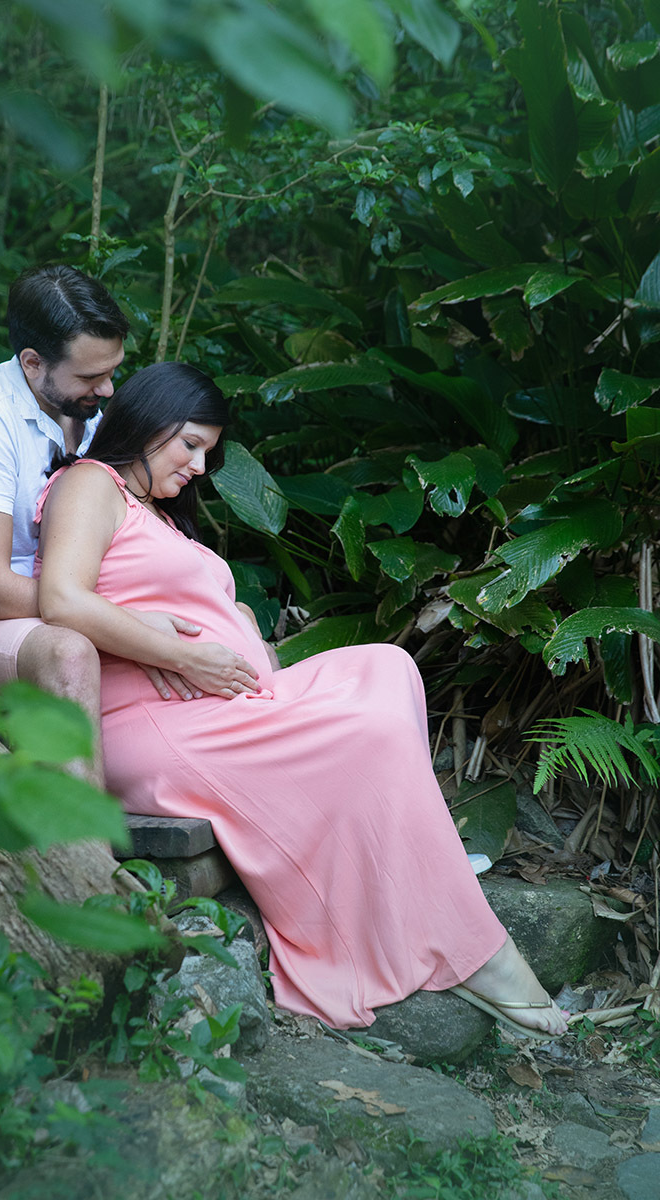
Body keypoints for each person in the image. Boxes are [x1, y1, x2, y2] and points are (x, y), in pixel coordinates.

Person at [34, 361, 569, 1038]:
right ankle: (479, 955)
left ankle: (406, 869)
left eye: (209, 452)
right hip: (155, 722)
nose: (200, 467)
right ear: (147, 420)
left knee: (386, 668)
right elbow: (60, 598)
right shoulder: (90, 484)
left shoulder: (158, 514)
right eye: (190, 445)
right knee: (370, 733)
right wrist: (174, 651)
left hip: (223, 703)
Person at [0, 266, 198, 782]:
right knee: (69, 652)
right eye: (89, 377)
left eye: (113, 371)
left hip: (67, 603)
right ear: (32, 362)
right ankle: (86, 856)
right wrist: (119, 620)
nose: (106, 390)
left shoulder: (84, 414)